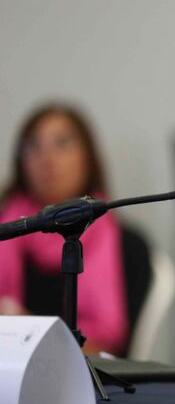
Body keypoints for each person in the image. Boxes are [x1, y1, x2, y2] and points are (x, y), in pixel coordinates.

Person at [0, 103, 135, 355]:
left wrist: (30, 336)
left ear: (88, 157)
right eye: (33, 146)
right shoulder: (4, 227)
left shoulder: (130, 246)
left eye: (61, 144)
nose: (47, 159)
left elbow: (115, 349)